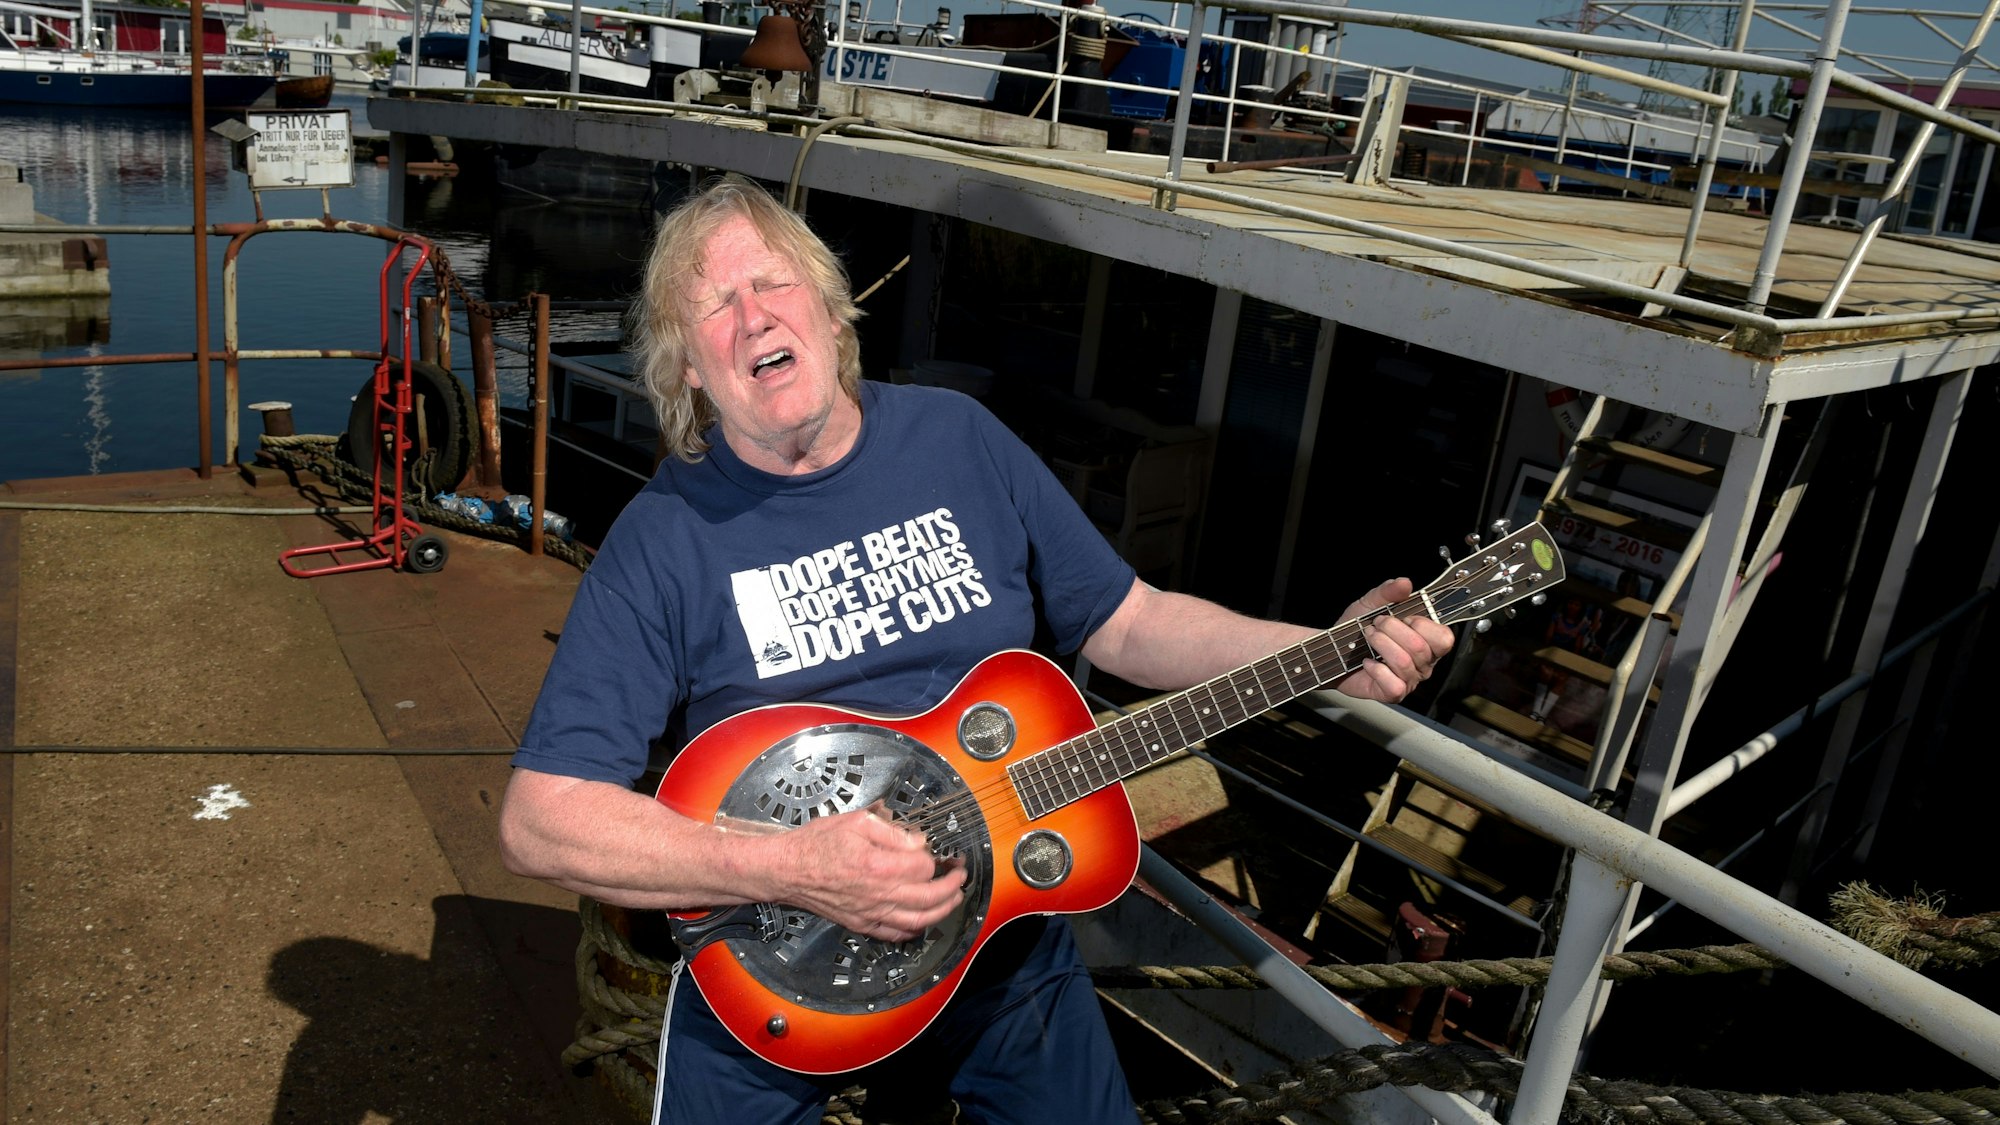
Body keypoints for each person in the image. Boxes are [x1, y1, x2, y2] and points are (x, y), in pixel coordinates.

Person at [497, 176, 1454, 1125]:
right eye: (714, 305)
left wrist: (1329, 648)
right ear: (690, 372)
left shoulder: (961, 440)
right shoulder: (663, 537)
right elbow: (543, 819)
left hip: (1001, 948)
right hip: (776, 960)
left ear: (831, 313)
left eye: (775, 283)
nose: (753, 317)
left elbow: (1130, 618)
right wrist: (791, 868)